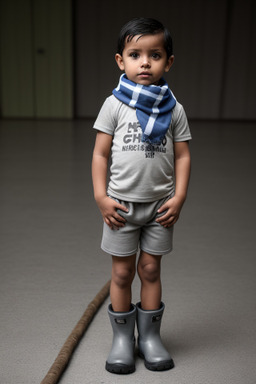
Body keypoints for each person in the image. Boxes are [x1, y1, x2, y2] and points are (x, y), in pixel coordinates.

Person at [92, 17, 191, 374]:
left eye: (155, 54)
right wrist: (101, 198)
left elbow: (182, 155)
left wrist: (178, 197)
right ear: (121, 61)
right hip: (120, 206)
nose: (145, 62)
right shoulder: (114, 105)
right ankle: (122, 339)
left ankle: (149, 337)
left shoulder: (174, 109)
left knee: (150, 268)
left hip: (159, 207)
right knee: (121, 274)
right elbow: (100, 154)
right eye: (135, 54)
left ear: (169, 62)